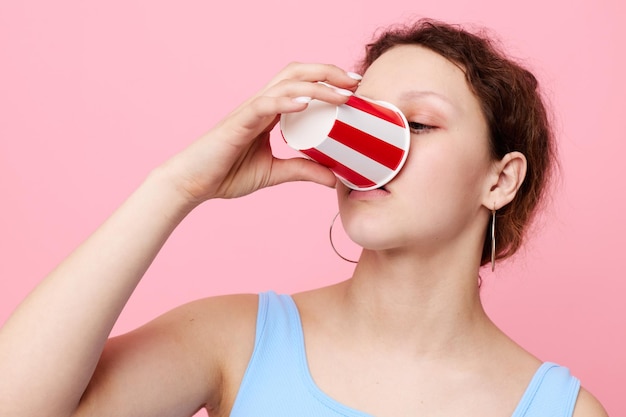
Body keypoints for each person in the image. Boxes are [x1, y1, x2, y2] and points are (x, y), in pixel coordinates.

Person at [0, 18, 607, 417]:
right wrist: (178, 186)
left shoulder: (559, 408)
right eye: (358, 121)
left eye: (415, 126)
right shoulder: (236, 338)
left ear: (499, 179)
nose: (371, 150)